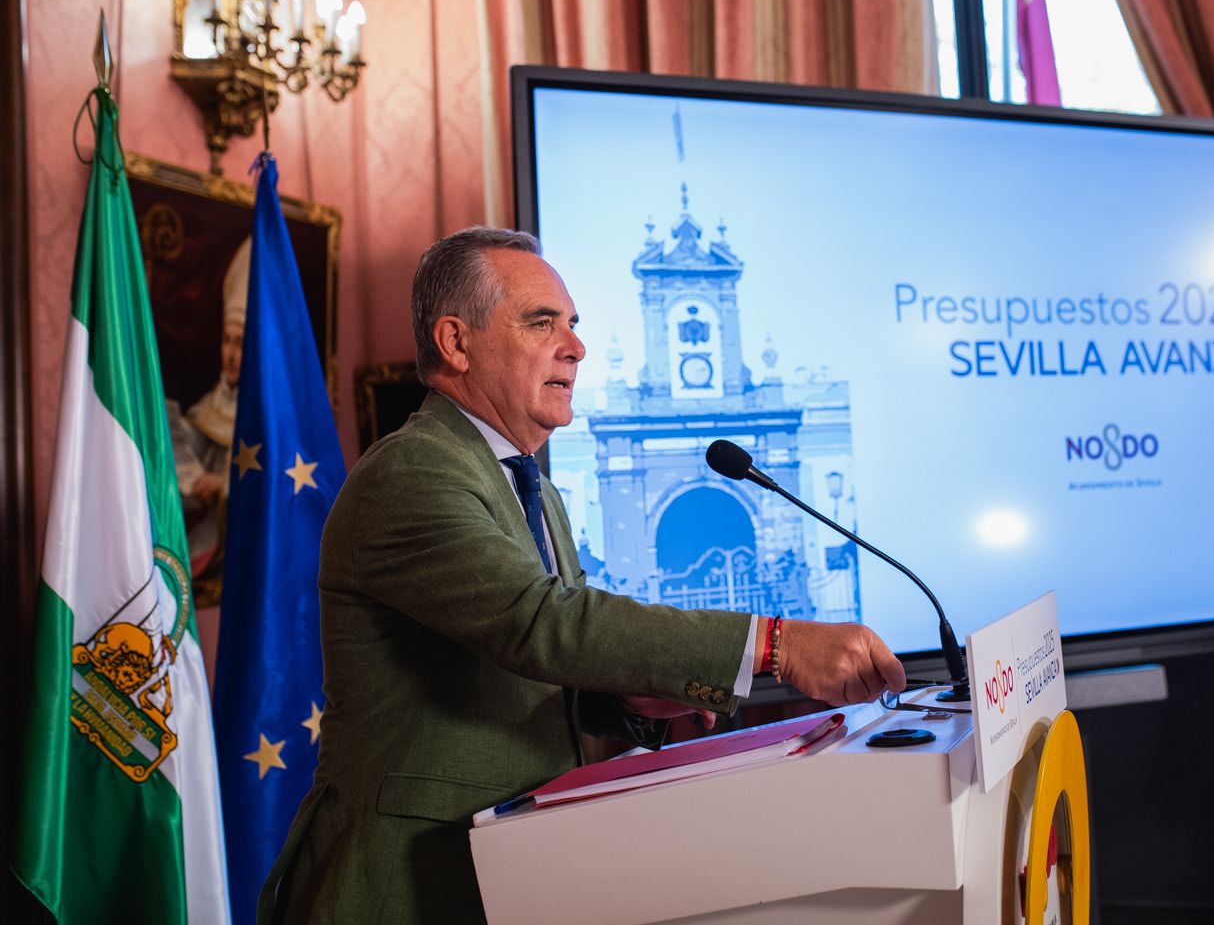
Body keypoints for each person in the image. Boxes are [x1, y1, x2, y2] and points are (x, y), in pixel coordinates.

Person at [260, 228, 906, 923]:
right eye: (542, 323)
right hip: (404, 883)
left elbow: (527, 671)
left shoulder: (529, 483)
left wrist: (627, 697)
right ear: (456, 341)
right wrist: (775, 641)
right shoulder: (413, 472)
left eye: (573, 325)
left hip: (512, 869)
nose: (576, 346)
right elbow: (541, 624)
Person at [167, 236, 249, 578]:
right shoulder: (209, 405)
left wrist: (224, 486)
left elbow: (281, 481)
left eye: (241, 343)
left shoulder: (273, 416)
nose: (230, 354)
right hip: (200, 531)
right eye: (226, 341)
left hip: (238, 541)